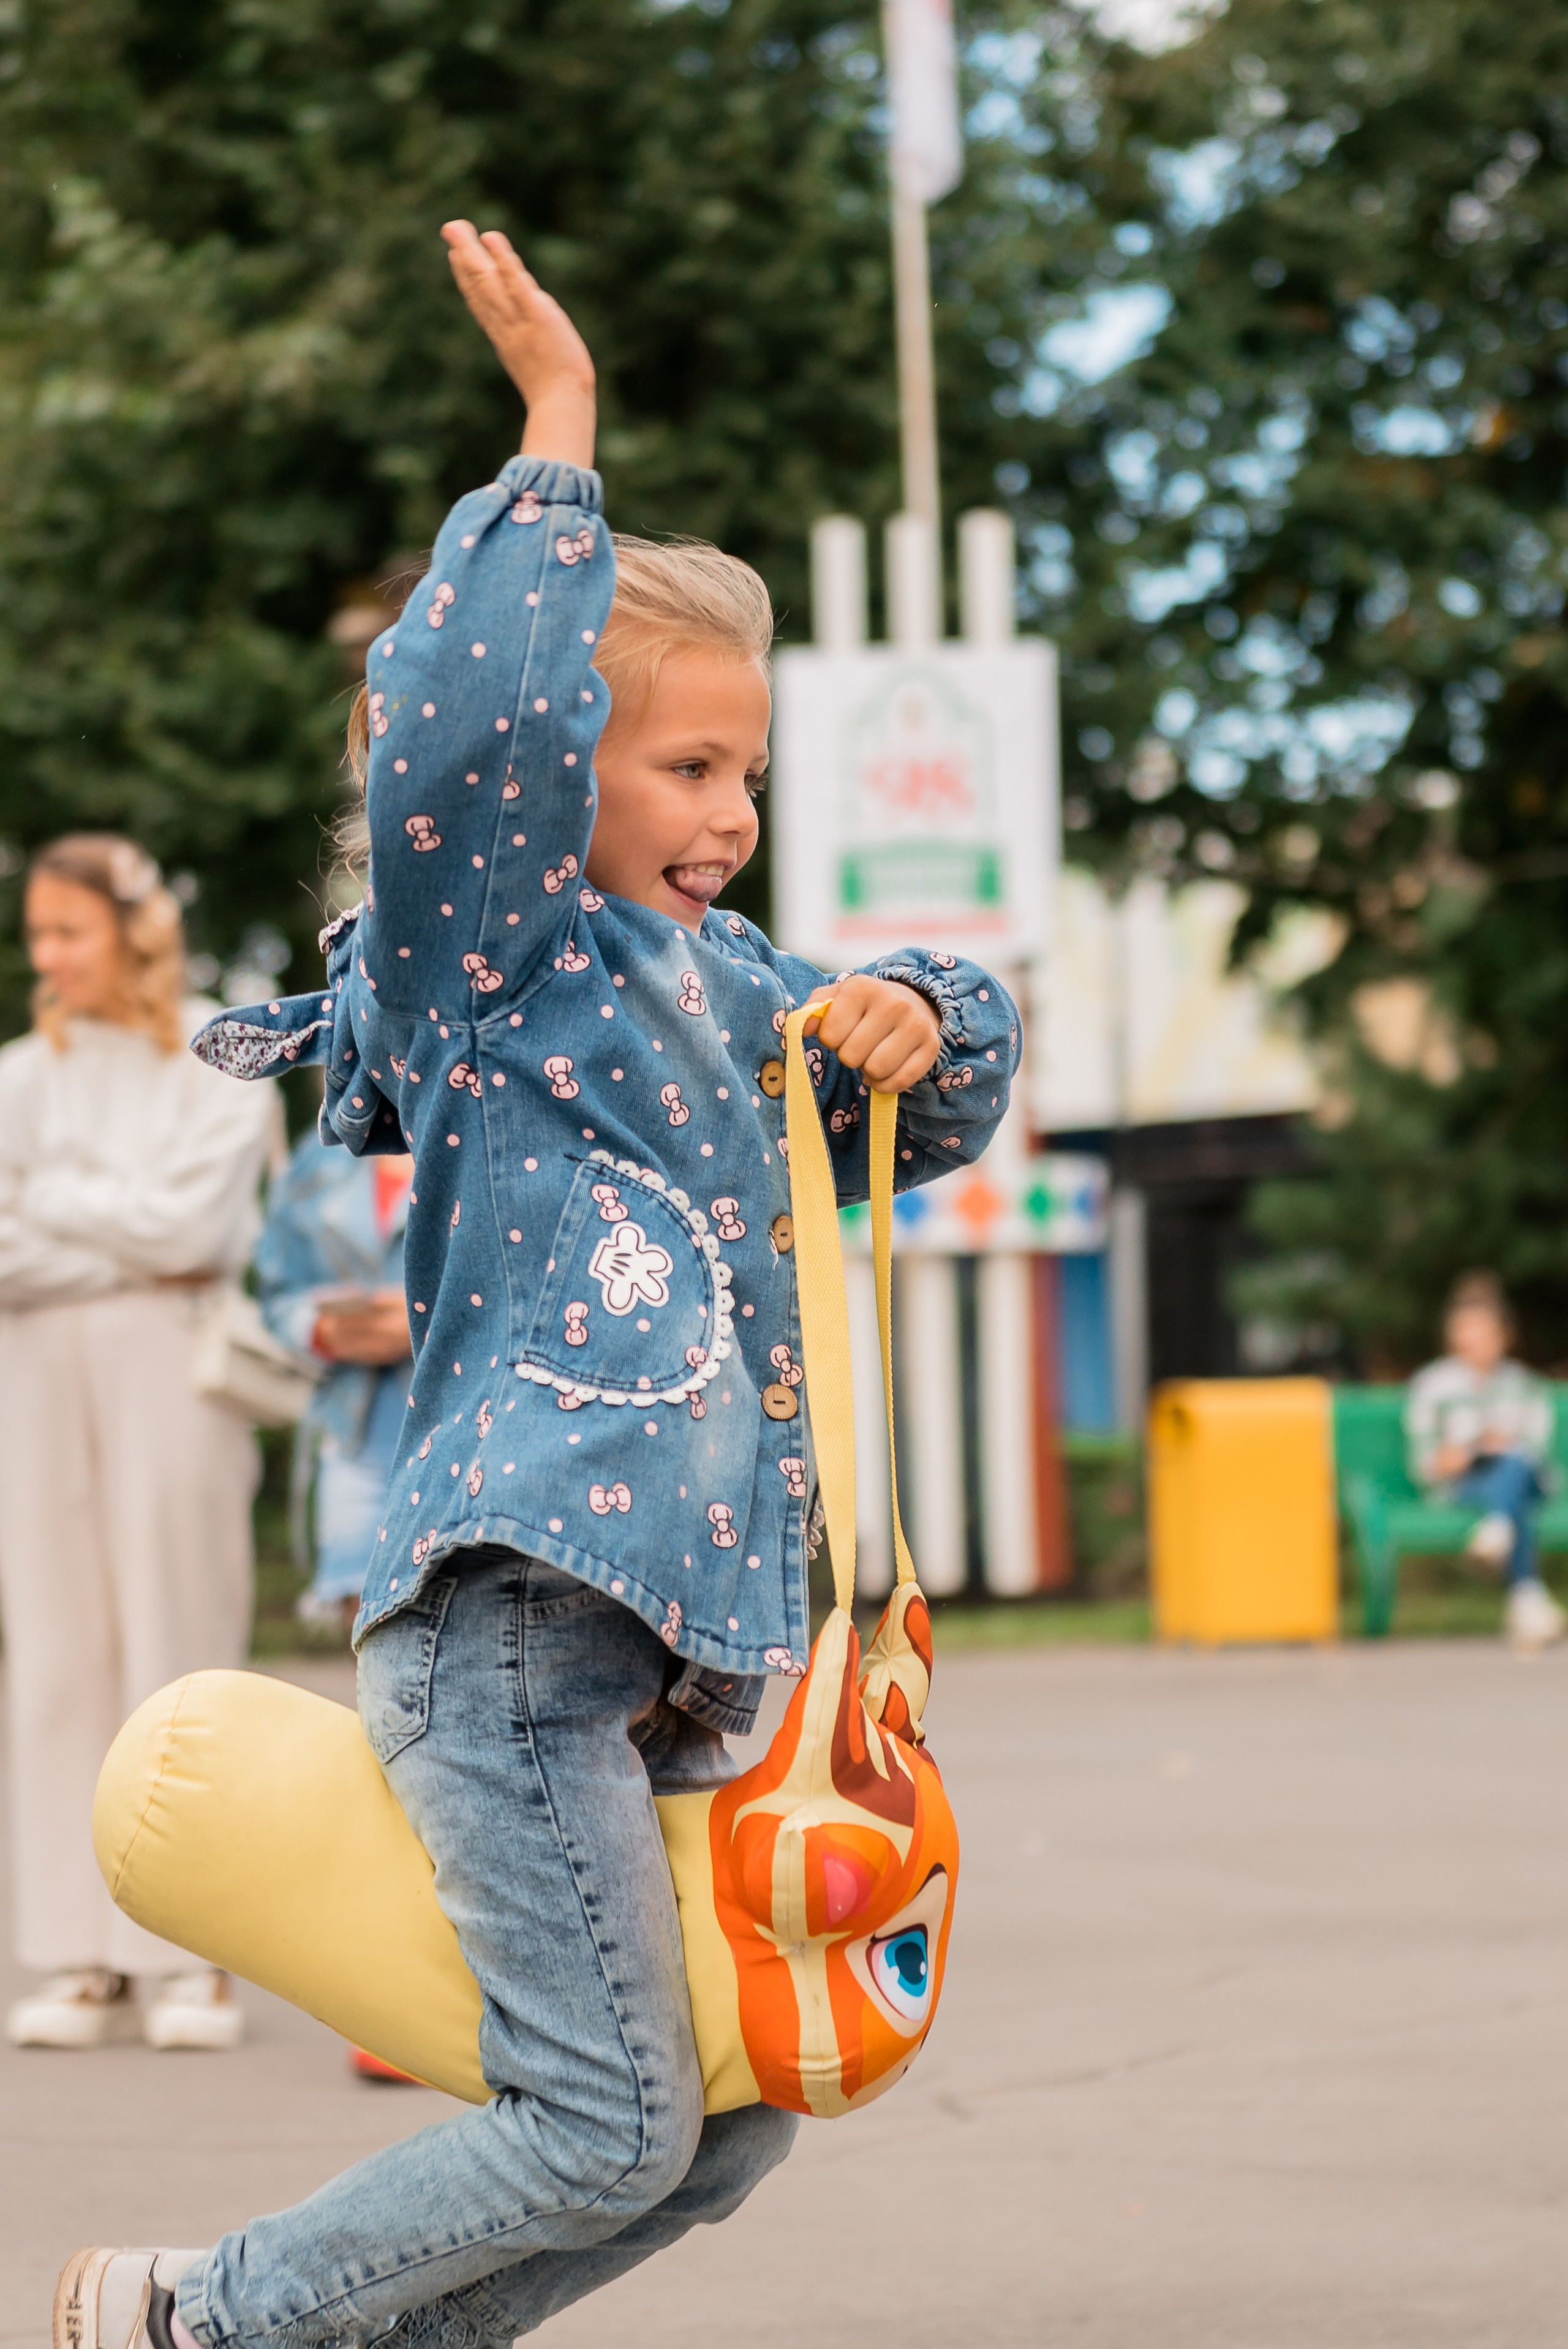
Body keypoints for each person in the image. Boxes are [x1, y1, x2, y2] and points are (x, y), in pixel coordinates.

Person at [57, 224, 1020, 2349]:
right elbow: (458, 734)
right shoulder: (485, 971)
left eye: (750, 772)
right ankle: (195, 2320)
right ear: (548, 780)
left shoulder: (738, 984)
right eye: (687, 767)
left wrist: (922, 1016)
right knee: (603, 2122)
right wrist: (555, 446)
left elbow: (931, 1109)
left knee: (727, 2116)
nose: (735, 813)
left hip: (676, 1659)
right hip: (515, 1630)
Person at [0, 834, 278, 2054]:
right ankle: (74, 1950)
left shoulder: (221, 1059)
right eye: (38, 936)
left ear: (133, 930)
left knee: (181, 1649)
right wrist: (126, 1231)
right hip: (37, 1361)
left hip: (178, 1360)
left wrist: (53, 1206)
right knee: (57, 1648)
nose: (49, 957)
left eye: (69, 931)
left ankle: (190, 1959)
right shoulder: (19, 1076)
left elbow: (201, 1225)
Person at [254, 1134, 413, 1632]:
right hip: (355, 1424)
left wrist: (427, 1321)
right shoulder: (320, 1156)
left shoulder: (487, 1130)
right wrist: (323, 1331)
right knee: (363, 1620)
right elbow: (278, 1292)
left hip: (463, 1417)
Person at [1404, 1269, 1564, 1651]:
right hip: (1463, 1485)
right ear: (1453, 1336)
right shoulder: (1433, 1387)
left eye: (1486, 1331)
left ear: (1504, 1336)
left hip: (1523, 1477)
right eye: (1468, 1331)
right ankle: (1526, 1594)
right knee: (1511, 1485)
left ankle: (1498, 1530)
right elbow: (1424, 1462)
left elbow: (1535, 1453)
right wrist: (1464, 1455)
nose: (1477, 1341)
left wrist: (1501, 1445)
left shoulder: (1526, 1387)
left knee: (1513, 1465)